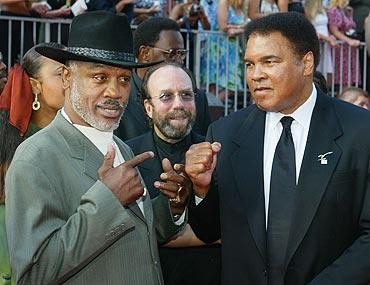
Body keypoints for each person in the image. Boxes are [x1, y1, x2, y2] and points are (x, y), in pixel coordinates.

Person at [185, 12, 370, 284]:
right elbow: (209, 231)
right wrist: (201, 191)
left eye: (269, 62)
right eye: (249, 64)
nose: (255, 75)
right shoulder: (224, 133)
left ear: (306, 63)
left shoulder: (360, 130)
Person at [5, 11, 185, 285]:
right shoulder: (35, 157)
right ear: (67, 77)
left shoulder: (121, 147)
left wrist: (172, 207)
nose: (114, 92)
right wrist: (108, 200)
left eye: (124, 80)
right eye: (100, 77)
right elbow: (34, 274)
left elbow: (133, 242)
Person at [126, 62, 221, 285]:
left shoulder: (216, 153)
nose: (179, 104)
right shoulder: (127, 156)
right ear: (148, 108)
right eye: (166, 96)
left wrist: (200, 191)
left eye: (186, 95)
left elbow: (233, 228)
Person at [0, 42, 66, 285]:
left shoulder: (82, 130)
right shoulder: (8, 133)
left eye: (72, 72)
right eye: (61, 74)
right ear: (35, 85)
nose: (70, 81)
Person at [114, 17, 211, 141]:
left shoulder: (197, 98)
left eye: (181, 53)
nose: (179, 60)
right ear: (145, 54)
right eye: (171, 53)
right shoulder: (119, 97)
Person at [327, 0, 361, 87]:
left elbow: (350, 28)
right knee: (343, 82)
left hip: (348, 50)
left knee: (349, 82)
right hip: (341, 50)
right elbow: (334, 30)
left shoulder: (342, 11)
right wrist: (349, 41)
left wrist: (350, 16)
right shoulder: (333, 10)